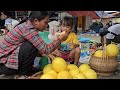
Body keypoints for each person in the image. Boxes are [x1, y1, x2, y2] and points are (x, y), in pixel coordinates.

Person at [0, 11, 68, 75]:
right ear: (36, 21)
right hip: (6, 64)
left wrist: (47, 54)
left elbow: (41, 47)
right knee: (31, 46)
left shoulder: (27, 25)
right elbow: (46, 49)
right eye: (45, 22)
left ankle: (27, 69)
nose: (46, 25)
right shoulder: (29, 29)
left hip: (6, 61)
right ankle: (22, 73)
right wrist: (60, 39)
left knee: (36, 45)